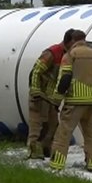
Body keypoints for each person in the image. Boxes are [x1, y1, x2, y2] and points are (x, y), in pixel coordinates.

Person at [49, 30, 92, 172]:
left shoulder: (70, 55)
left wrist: (55, 102)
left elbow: (64, 80)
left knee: (64, 133)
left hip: (74, 102)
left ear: (72, 40)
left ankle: (57, 165)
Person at [25, 29, 76, 160]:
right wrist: (36, 90)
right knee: (38, 125)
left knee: (52, 125)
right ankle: (34, 151)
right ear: (69, 41)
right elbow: (36, 71)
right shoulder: (52, 53)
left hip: (51, 99)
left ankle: (46, 149)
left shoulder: (69, 56)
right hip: (41, 96)